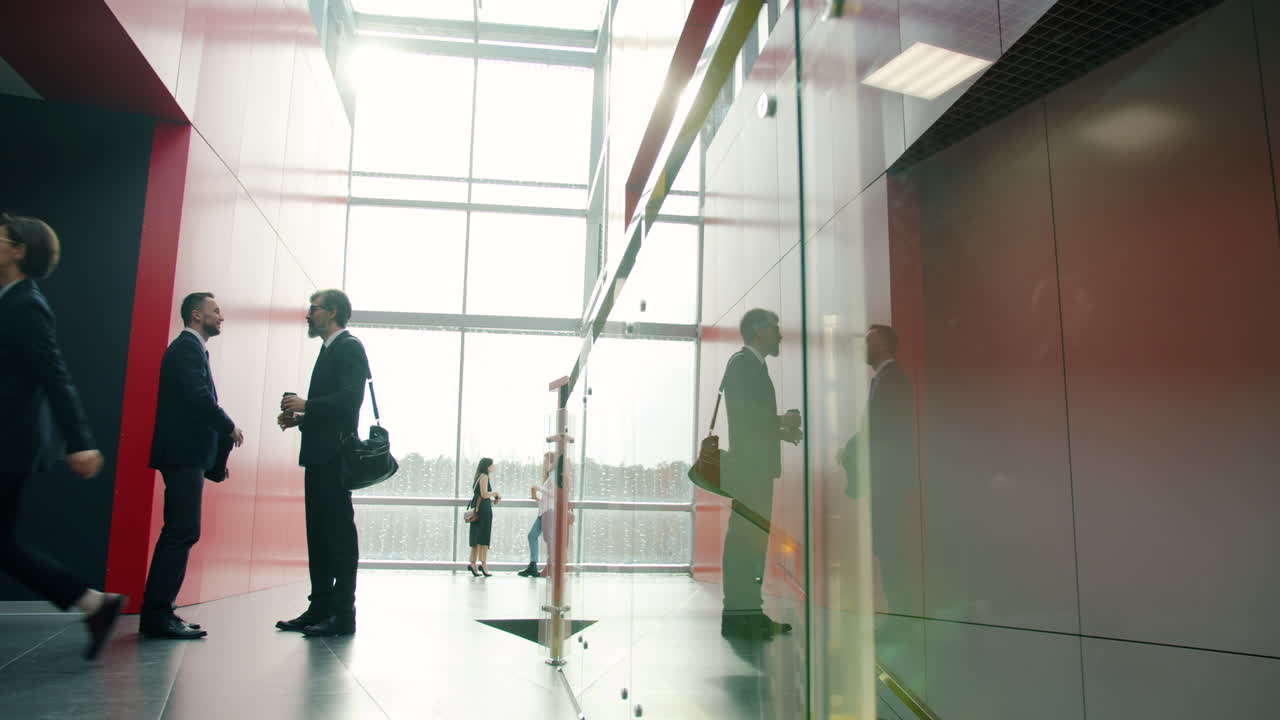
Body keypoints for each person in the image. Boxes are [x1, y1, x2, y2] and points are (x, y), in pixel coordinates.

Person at [0, 213, 125, 659]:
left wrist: (81, 441)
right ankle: (92, 603)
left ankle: (92, 602)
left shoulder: (26, 306)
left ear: (18, 251)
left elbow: (55, 377)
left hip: (8, 445)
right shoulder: (9, 300)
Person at [138, 292, 243, 640]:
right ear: (196, 315)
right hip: (182, 455)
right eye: (216, 311)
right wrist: (229, 426)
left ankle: (160, 612)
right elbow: (199, 399)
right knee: (182, 531)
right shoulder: (187, 349)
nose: (221, 316)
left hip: (186, 455)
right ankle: (158, 615)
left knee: (180, 530)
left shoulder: (193, 349)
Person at [274, 289, 369, 637]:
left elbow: (350, 401)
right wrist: (301, 418)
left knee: (338, 536)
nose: (308, 314)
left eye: (313, 309)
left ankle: (343, 614)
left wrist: (307, 405)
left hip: (334, 457)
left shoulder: (349, 347)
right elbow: (333, 407)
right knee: (318, 534)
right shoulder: (329, 349)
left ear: (331, 312)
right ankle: (320, 607)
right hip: (318, 455)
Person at [719, 308, 801, 638]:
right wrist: (781, 421)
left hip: (754, 468)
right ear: (757, 331)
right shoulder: (743, 364)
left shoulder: (751, 366)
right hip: (750, 470)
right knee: (746, 541)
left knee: (750, 540)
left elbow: (749, 422)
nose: (779, 334)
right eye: (774, 328)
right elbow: (746, 417)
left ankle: (746, 613)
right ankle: (741, 615)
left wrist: (780, 432)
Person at [838, 324, 916, 614]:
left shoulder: (892, 381)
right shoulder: (885, 379)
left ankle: (899, 611)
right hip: (885, 475)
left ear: (882, 345)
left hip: (888, 476)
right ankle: (897, 610)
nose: (863, 346)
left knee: (889, 542)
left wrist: (851, 448)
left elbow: (881, 429)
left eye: (868, 341)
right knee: (886, 541)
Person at [517, 452, 555, 577]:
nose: (544, 464)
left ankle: (550, 567)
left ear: (552, 462)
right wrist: (537, 498)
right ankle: (533, 565)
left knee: (548, 539)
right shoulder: (550, 476)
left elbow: (554, 493)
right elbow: (547, 497)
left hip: (548, 512)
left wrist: (539, 488)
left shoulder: (554, 476)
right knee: (532, 536)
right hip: (543, 512)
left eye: (545, 461)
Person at [466, 458, 501, 577]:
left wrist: (493, 499)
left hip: (477, 507)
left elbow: (481, 495)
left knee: (476, 537)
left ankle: (473, 563)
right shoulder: (484, 476)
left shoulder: (478, 476)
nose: (493, 467)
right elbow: (484, 494)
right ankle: (483, 565)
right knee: (484, 537)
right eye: (492, 465)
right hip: (483, 510)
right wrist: (495, 493)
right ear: (487, 466)